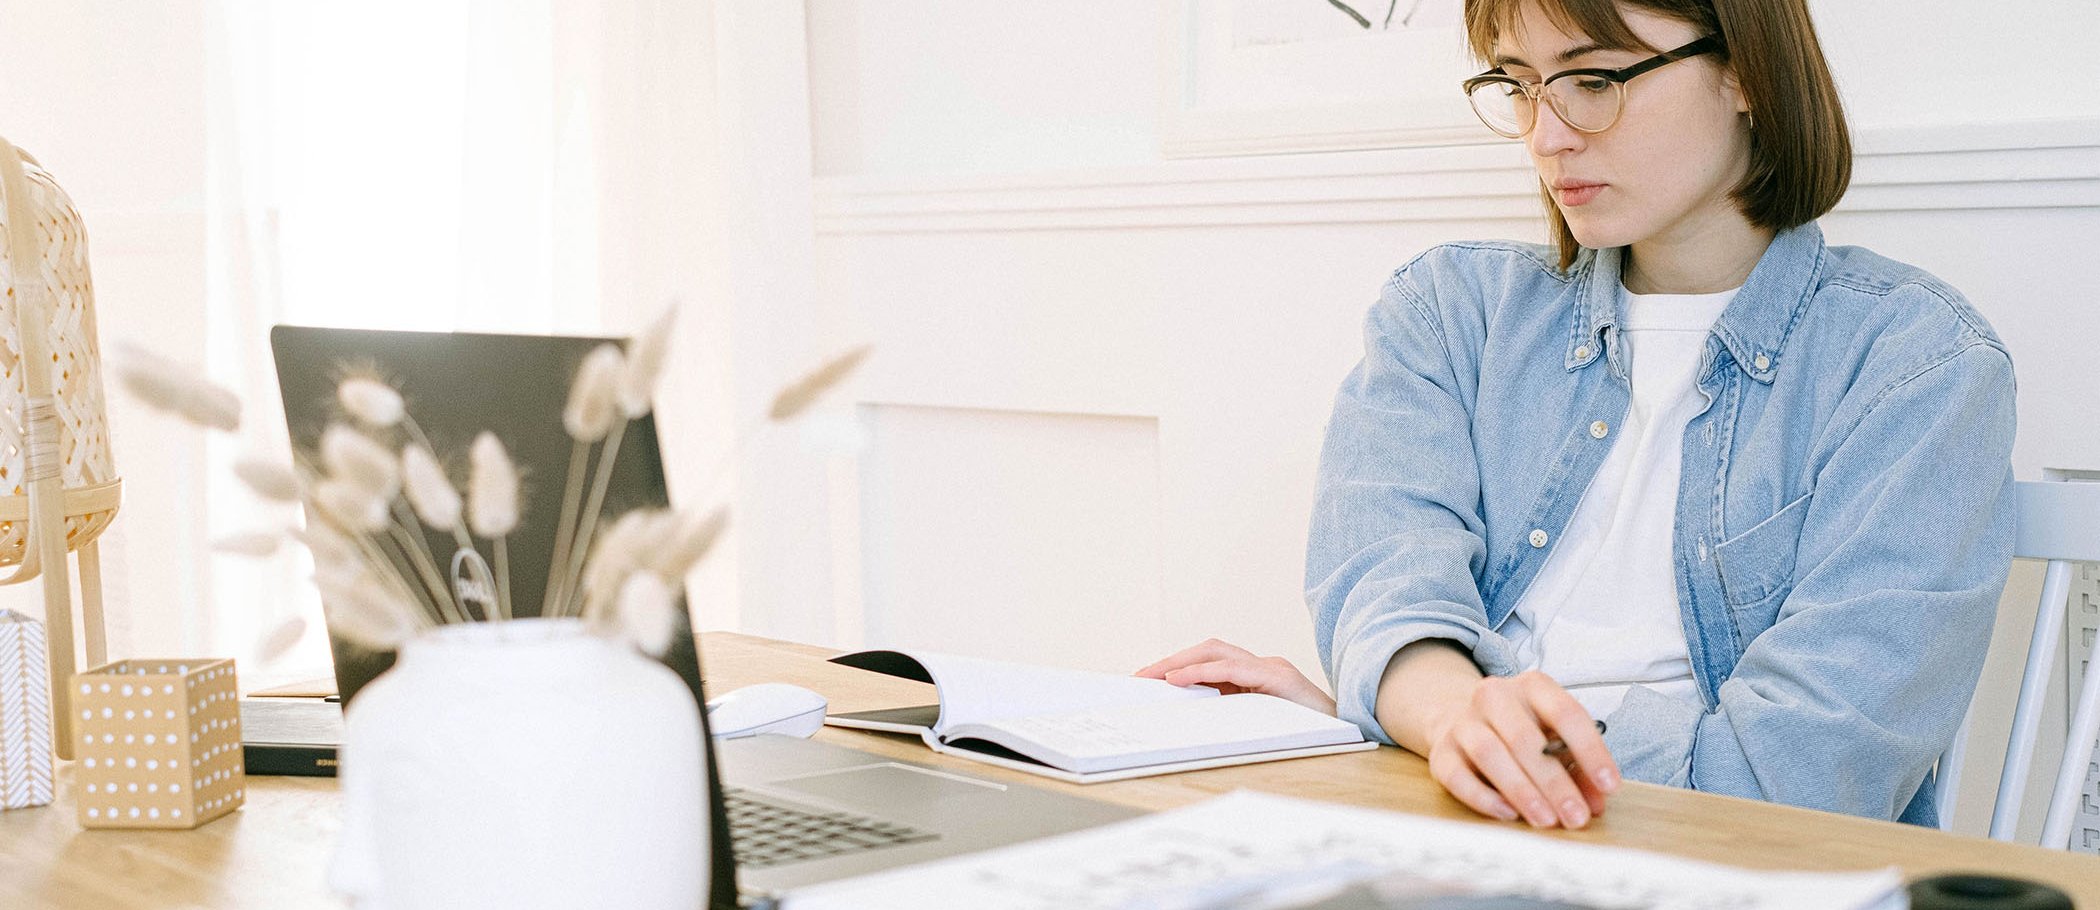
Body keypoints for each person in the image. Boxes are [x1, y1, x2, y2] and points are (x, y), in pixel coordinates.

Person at [1137, 0, 2015, 831]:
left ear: (1745, 69)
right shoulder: (1450, 315)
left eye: (1593, 81)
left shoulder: (1918, 370)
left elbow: (1796, 775)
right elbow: (1385, 598)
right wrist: (1436, 721)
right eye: (1520, 86)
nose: (1546, 136)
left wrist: (1411, 729)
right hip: (1450, 849)